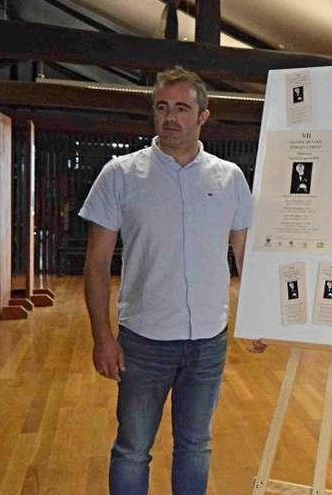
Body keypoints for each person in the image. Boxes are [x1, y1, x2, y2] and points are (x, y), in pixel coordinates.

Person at [80, 66, 253, 495]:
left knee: (196, 445)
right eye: (162, 107)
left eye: (181, 108)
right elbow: (97, 264)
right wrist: (102, 336)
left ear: (202, 116)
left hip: (208, 340)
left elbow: (245, 255)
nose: (170, 117)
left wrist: (259, 317)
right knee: (133, 449)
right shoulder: (120, 174)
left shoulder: (229, 178)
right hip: (143, 340)